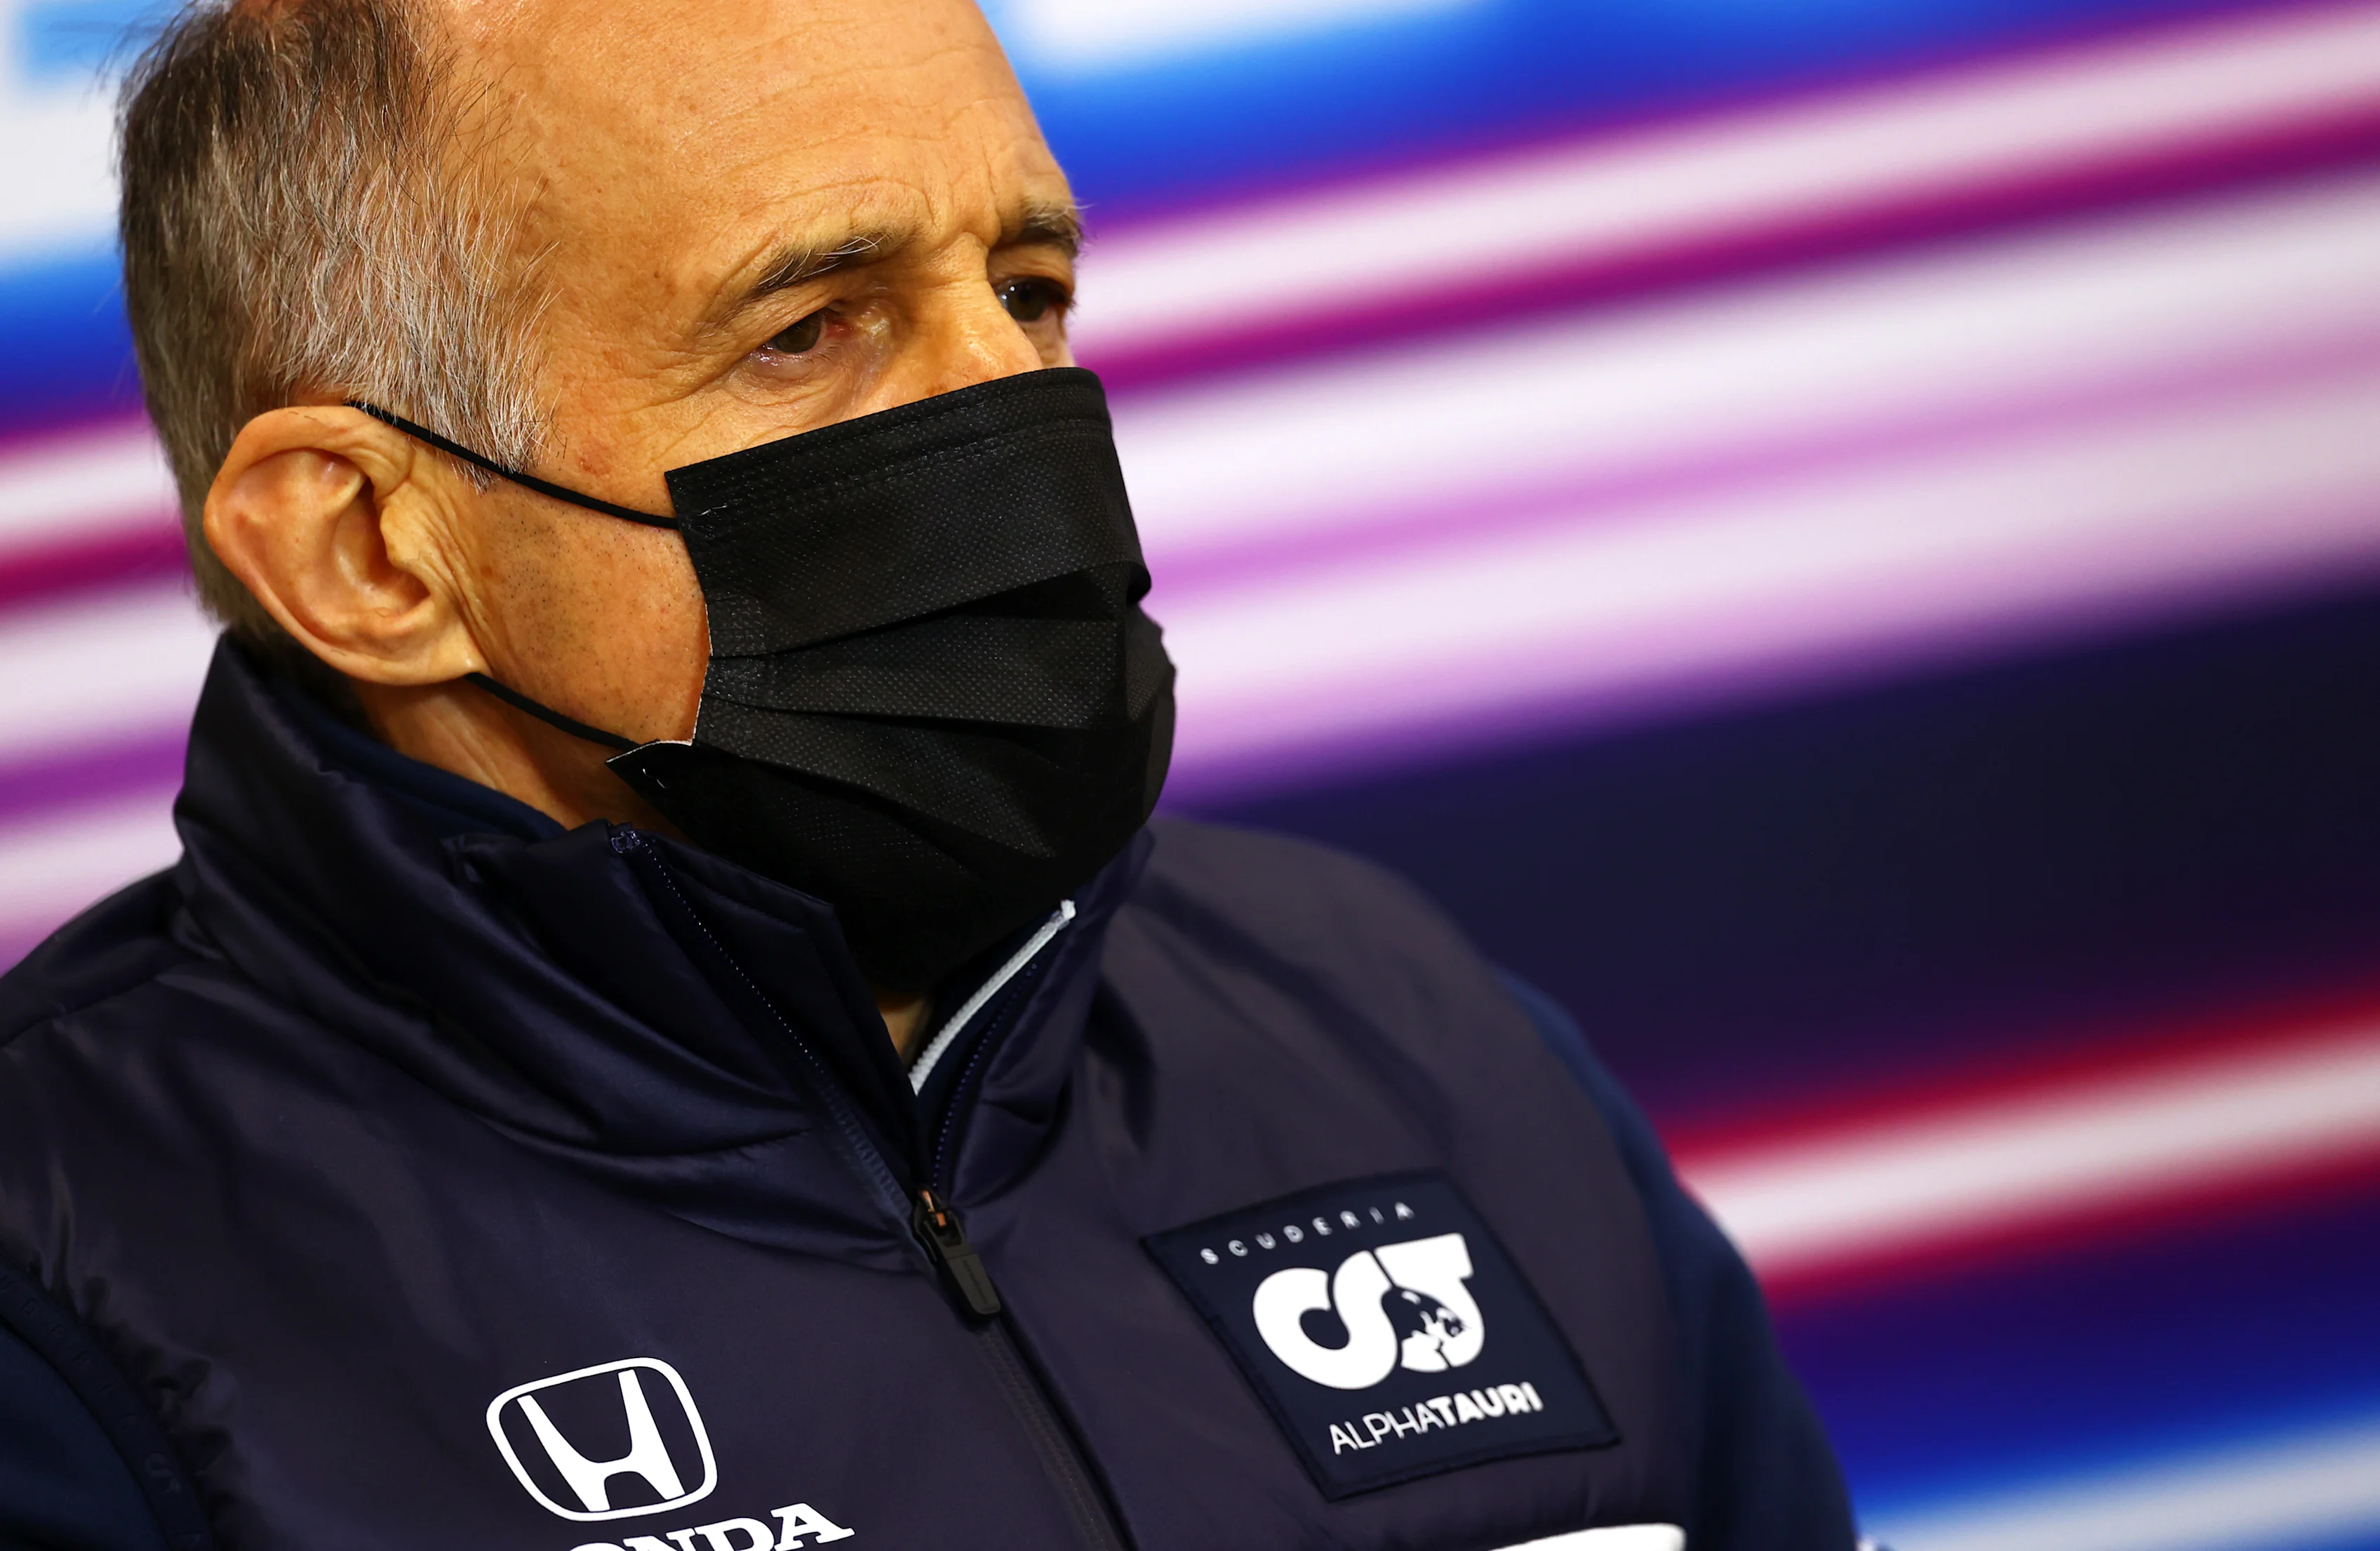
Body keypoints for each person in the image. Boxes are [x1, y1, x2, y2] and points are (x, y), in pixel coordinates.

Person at [0, 0, 1857, 1545]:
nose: (1019, 416)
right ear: (373, 556)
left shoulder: (1419, 1040)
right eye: (812, 331)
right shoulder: (66, 1296)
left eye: (1032, 289)